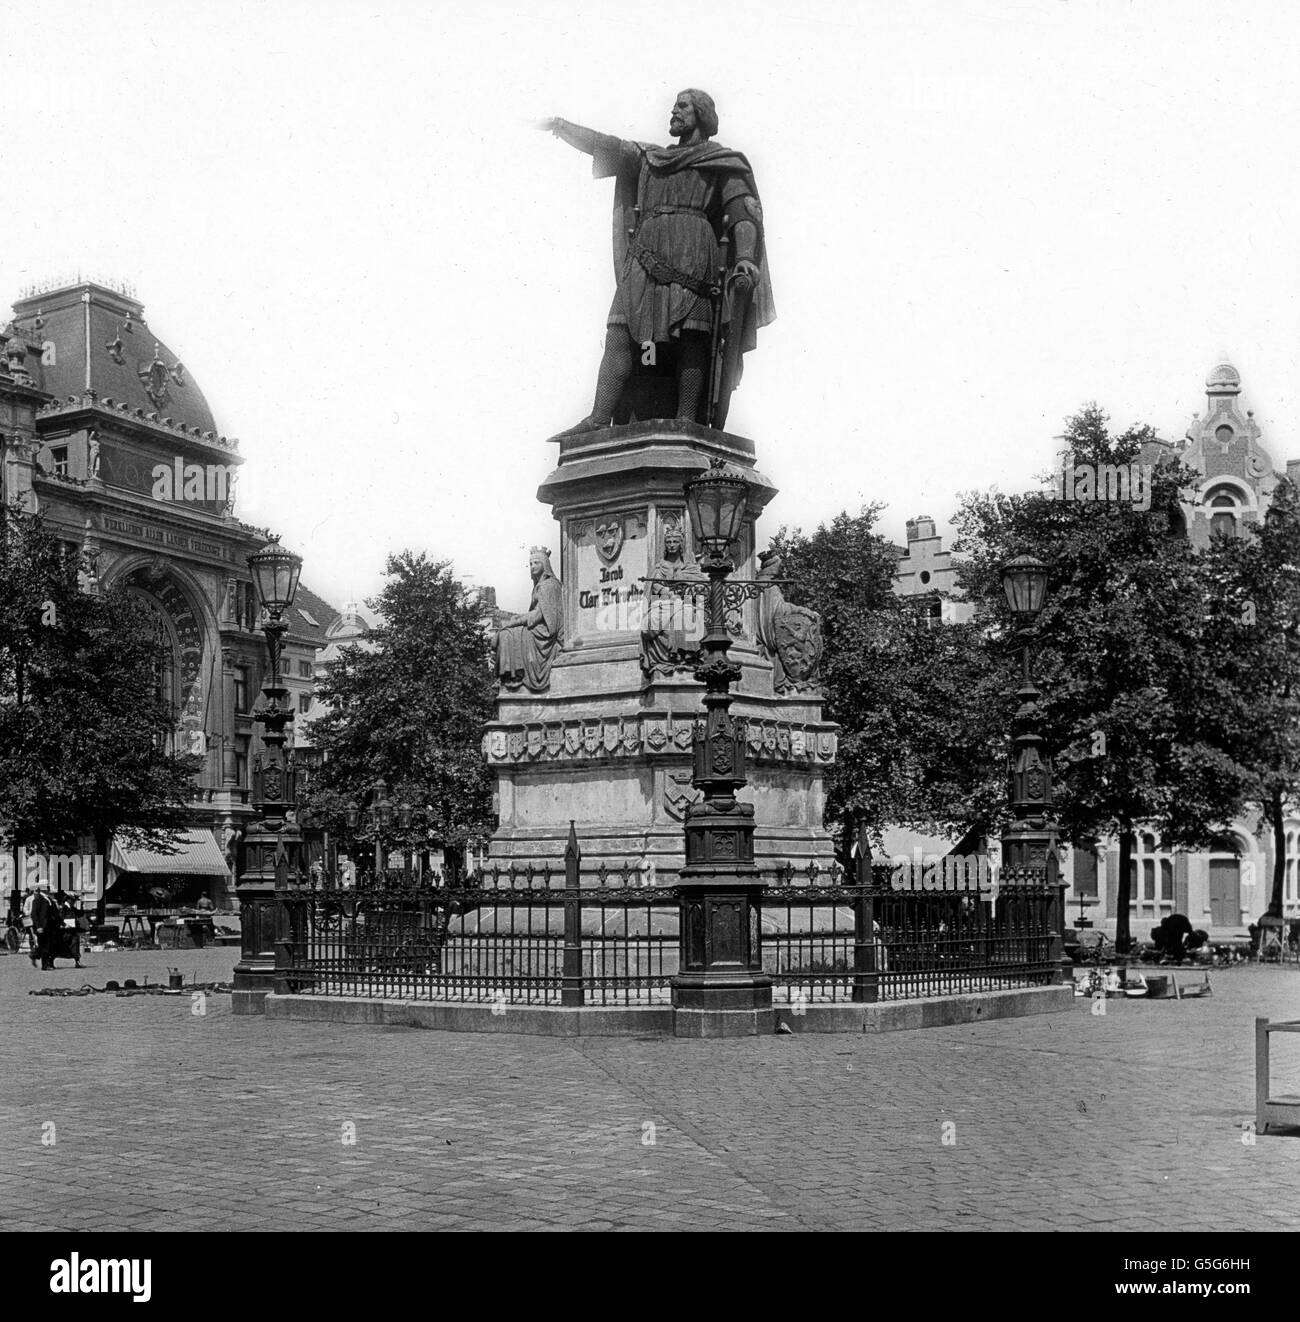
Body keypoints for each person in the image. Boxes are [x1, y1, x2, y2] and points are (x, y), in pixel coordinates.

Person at [542, 89, 774, 430]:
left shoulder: (722, 162)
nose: (674, 111)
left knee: (691, 337)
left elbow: (742, 214)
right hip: (645, 254)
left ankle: (685, 420)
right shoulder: (649, 157)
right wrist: (560, 126)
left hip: (694, 251)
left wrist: (744, 257)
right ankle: (597, 417)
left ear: (702, 114)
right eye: (674, 106)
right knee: (620, 330)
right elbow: (605, 145)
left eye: (682, 106)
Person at [494, 548, 563, 692]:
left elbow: (539, 615)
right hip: (538, 626)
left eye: (536, 563)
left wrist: (517, 620)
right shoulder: (539, 586)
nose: (532, 567)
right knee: (507, 633)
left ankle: (514, 677)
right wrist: (519, 619)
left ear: (544, 564)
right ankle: (510, 676)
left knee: (508, 634)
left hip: (545, 632)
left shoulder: (549, 585)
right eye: (530, 564)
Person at [30, 880, 59, 970]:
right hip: (42, 927)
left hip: (50, 927)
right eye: (46, 887)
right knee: (44, 946)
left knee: (50, 945)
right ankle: (45, 965)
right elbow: (34, 915)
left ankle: (35, 955)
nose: (48, 888)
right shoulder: (38, 899)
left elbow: (54, 913)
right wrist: (38, 926)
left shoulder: (49, 899)